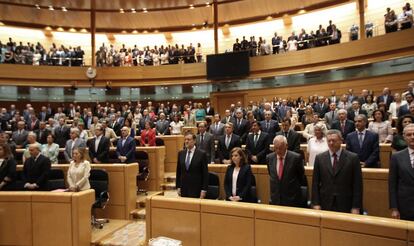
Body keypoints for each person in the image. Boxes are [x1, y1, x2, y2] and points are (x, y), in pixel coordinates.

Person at [311, 130, 363, 214]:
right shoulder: (319, 158)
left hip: (346, 203)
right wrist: (316, 203)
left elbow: (357, 185)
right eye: (329, 141)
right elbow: (315, 183)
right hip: (325, 202)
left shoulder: (353, 158)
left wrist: (356, 206)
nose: (331, 143)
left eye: (334, 140)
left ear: (341, 141)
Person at [267, 135, 305, 207]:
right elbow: (271, 174)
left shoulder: (296, 158)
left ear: (286, 146)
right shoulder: (269, 158)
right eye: (276, 148)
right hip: (276, 198)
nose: (278, 151)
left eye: (280, 148)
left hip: (292, 198)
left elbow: (301, 177)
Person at [389, 123, 414, 221]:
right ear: (404, 137)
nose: (412, 137)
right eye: (409, 135)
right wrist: (394, 208)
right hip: (405, 206)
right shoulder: (396, 157)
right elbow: (392, 184)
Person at [176, 132, 209, 198]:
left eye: (188, 139)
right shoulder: (181, 153)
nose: (186, 141)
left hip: (196, 188)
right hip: (184, 188)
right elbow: (178, 171)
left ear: (194, 141)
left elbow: (205, 174)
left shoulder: (201, 154)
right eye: (185, 139)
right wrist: (178, 186)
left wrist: (204, 190)